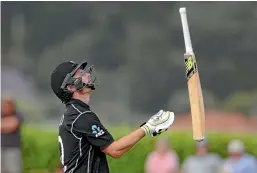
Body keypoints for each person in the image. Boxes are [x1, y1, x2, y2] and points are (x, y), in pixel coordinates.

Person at [50, 61, 175, 173]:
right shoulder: (81, 116)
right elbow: (114, 150)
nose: (87, 75)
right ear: (70, 87)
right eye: (80, 74)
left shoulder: (74, 114)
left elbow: (117, 150)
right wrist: (148, 128)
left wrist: (147, 129)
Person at [1, 98, 24, 173]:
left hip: (13, 149)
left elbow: (13, 125)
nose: (5, 108)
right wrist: (6, 124)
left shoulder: (18, 115)